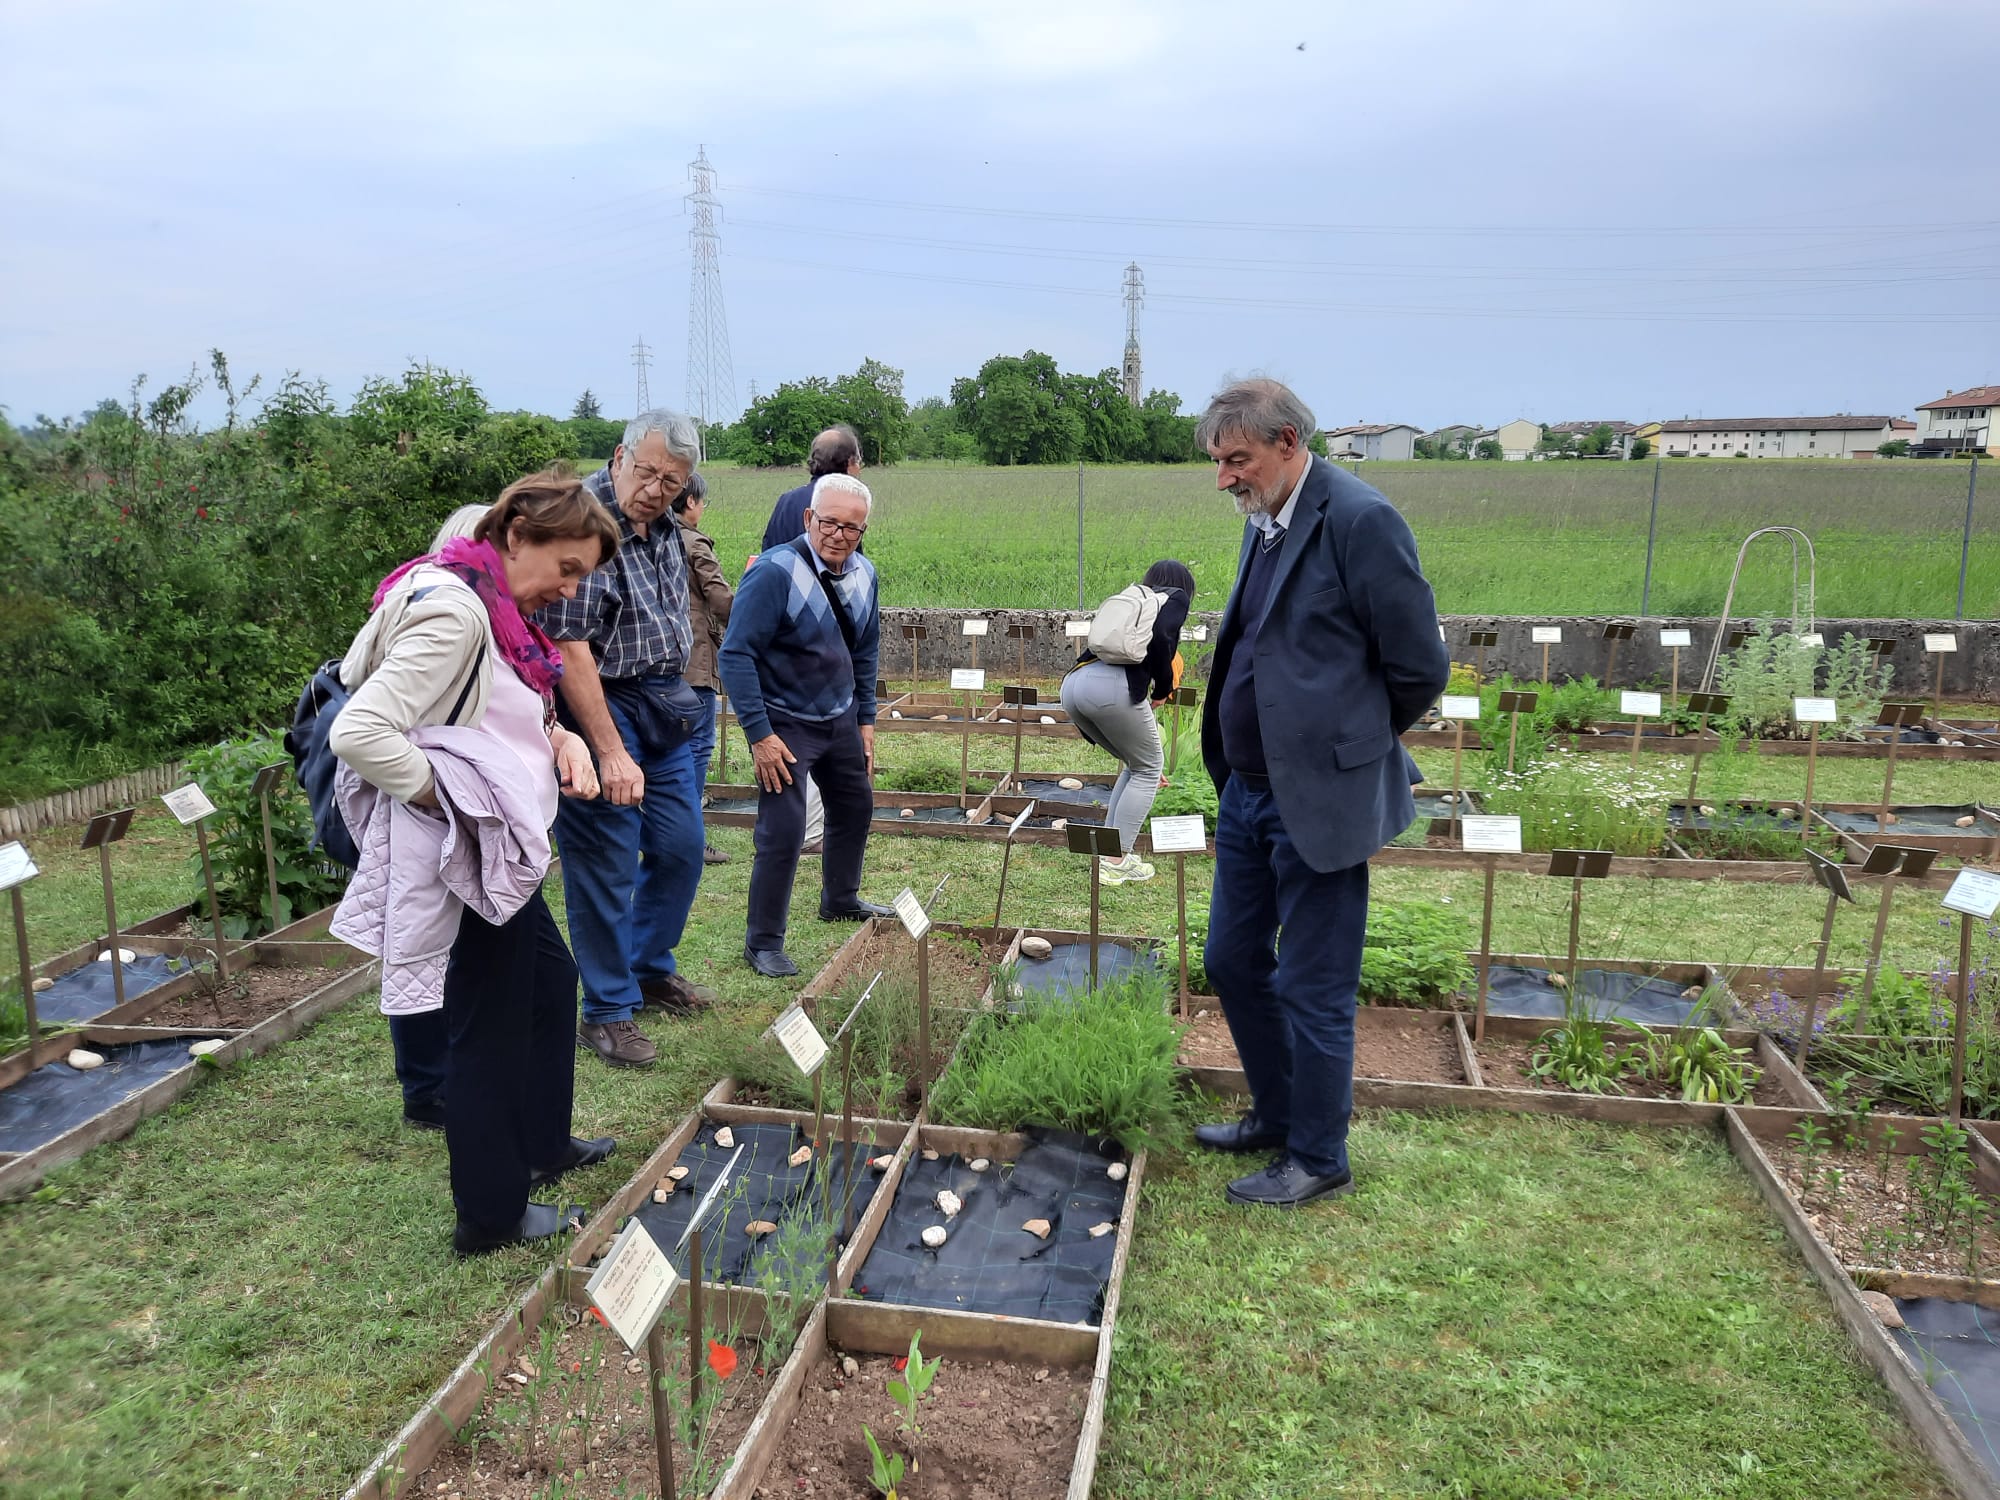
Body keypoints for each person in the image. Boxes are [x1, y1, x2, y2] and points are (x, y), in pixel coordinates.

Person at [329, 469, 621, 1255]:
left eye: (582, 578)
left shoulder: (480, 599)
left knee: (551, 984)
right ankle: (490, 1216)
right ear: (517, 533)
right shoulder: (457, 613)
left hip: (499, 846)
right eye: (566, 569)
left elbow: (499, 705)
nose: (567, 592)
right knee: (487, 1023)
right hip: (473, 843)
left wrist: (556, 736)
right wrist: (446, 799)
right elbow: (359, 732)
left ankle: (542, 1146)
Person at [1193, 379, 1449, 1208]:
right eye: (1219, 462)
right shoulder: (1265, 520)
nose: (1225, 478)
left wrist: (1348, 750)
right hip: (1248, 794)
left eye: (1238, 460)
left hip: (1319, 800)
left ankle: (1319, 1155)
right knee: (1231, 962)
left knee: (1314, 983)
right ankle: (1275, 1113)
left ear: (1288, 443)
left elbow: (1418, 667)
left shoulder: (1361, 519)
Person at [537, 410, 716, 1070]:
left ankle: (647, 969)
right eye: (647, 473)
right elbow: (569, 643)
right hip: (597, 704)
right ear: (619, 457)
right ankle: (608, 1012)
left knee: (681, 848)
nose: (657, 489)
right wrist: (608, 749)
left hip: (662, 703)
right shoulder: (587, 522)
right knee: (606, 861)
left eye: (673, 481)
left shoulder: (668, 525)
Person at [719, 473, 890, 977]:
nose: (838, 535)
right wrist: (759, 734)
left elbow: (865, 649)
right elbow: (735, 654)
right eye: (829, 523)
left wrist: (865, 720)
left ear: (864, 531)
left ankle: (840, 898)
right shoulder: (774, 572)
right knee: (785, 829)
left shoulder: (865, 575)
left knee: (856, 806)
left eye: (851, 528)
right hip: (784, 722)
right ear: (808, 519)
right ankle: (763, 942)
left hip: (838, 716)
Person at [380, 502, 509, 1132]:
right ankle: (426, 1088)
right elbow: (377, 726)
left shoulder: (483, 617)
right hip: (435, 807)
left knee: (445, 943)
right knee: (421, 940)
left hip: (466, 806)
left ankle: (441, 1077)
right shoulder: (446, 616)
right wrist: (434, 789)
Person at [757, 424, 863, 854]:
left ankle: (789, 831)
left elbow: (763, 557)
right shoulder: (845, 505)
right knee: (820, 740)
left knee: (789, 744)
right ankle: (812, 834)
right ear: (851, 463)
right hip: (821, 646)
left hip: (781, 643)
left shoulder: (786, 502)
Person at [1059, 560, 1194, 885]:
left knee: (1138, 765)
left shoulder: (1135, 597)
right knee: (1148, 768)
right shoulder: (1174, 598)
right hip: (1111, 688)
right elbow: (1163, 639)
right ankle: (1117, 860)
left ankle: (1109, 851)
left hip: (1075, 684)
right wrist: (1163, 689)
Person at [673, 472, 734, 866]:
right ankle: (691, 839)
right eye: (701, 501)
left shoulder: (653, 537)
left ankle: (672, 834)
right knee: (697, 748)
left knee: (671, 749)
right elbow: (720, 598)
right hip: (694, 660)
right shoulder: (694, 543)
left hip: (661, 661)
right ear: (691, 502)